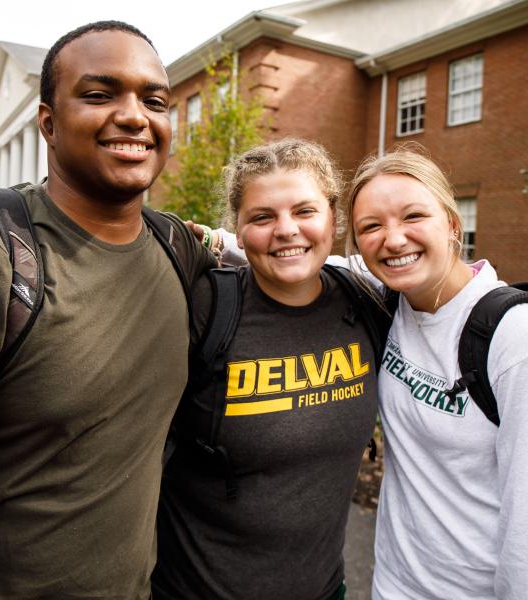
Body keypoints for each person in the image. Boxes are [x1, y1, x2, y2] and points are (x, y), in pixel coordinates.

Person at [0, 21, 216, 599]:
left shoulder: (178, 248)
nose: (135, 116)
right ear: (48, 121)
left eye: (154, 100)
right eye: (99, 94)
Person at [152, 139, 381, 600]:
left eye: (304, 211)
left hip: (324, 590)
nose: (285, 230)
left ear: (333, 219)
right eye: (262, 217)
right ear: (237, 231)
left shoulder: (368, 302)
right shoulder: (203, 311)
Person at [343, 147, 528, 599]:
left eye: (413, 216)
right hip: (393, 583)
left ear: (452, 225)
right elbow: (304, 253)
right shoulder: (390, 298)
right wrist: (210, 240)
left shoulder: (518, 336)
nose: (393, 240)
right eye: (371, 227)